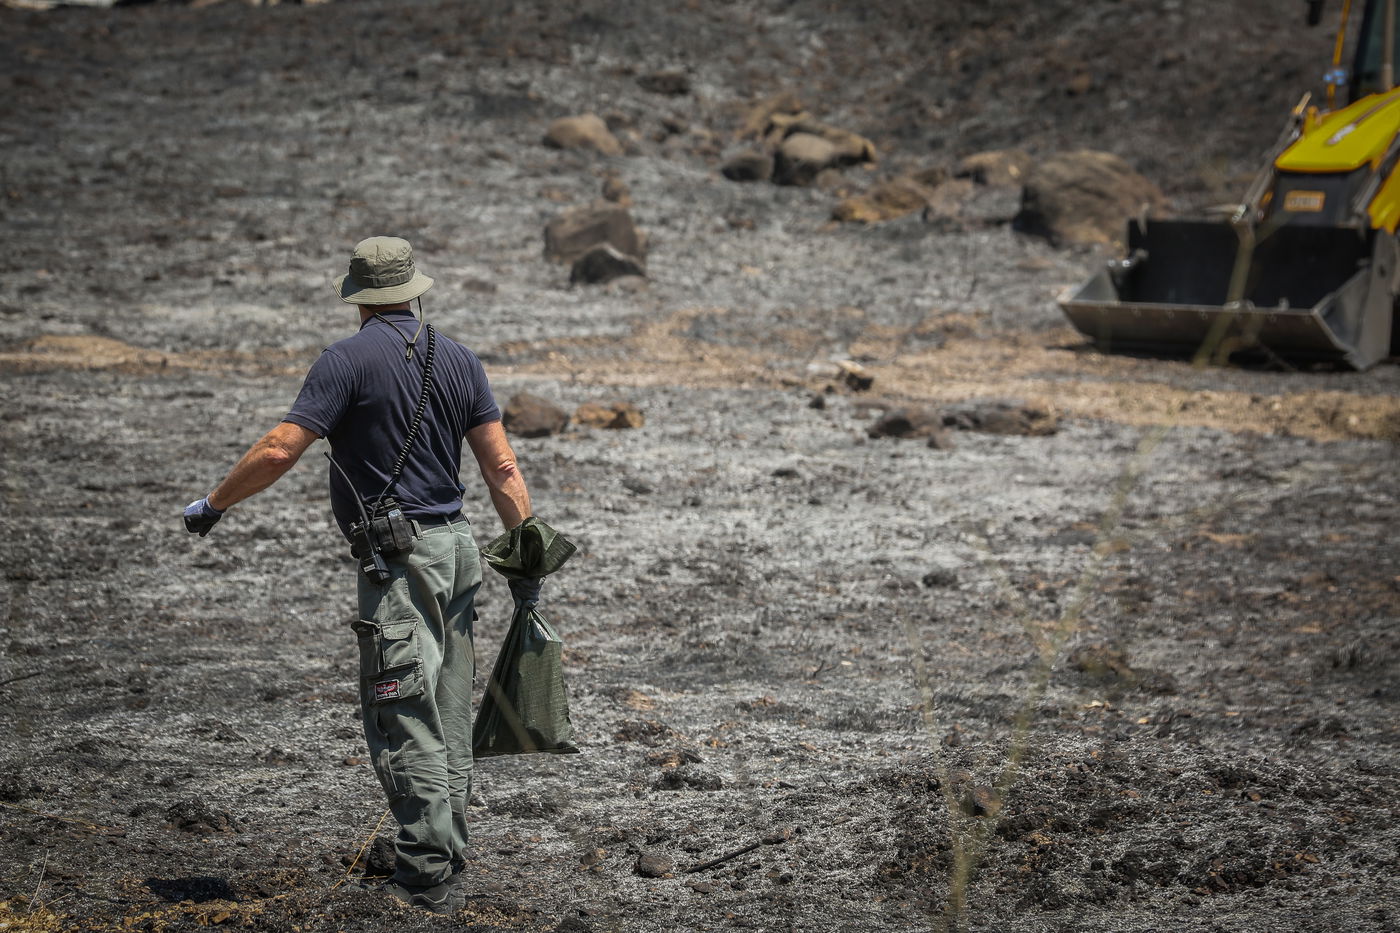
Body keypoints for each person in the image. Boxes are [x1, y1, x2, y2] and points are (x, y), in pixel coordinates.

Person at [182, 236, 541, 914]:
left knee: (403, 708)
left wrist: (215, 503)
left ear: (358, 298)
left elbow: (284, 445)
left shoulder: (344, 360)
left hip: (401, 563)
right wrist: (526, 552)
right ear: (414, 289)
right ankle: (446, 851)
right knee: (445, 705)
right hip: (459, 550)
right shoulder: (460, 358)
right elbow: (503, 469)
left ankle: (424, 874)